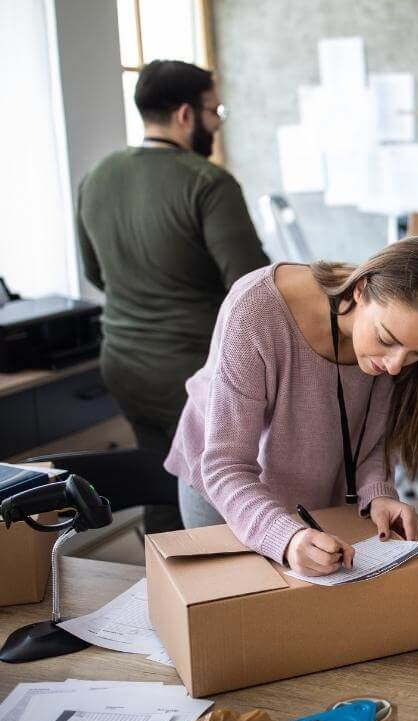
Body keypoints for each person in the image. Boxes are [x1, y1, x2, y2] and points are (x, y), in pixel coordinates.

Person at [164, 239, 418, 576]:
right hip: (228, 496)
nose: (394, 366)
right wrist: (285, 537)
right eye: (386, 340)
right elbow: (226, 464)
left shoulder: (398, 334)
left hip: (313, 502)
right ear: (360, 290)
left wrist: (378, 494)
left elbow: (371, 438)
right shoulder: (256, 311)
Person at [77, 59, 269, 533]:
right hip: (191, 369)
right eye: (214, 109)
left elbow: (95, 274)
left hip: (122, 364)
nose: (218, 121)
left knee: (159, 482)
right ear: (186, 114)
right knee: (216, 496)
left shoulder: (97, 176)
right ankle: (214, 599)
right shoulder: (207, 182)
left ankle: (162, 594)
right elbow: (255, 286)